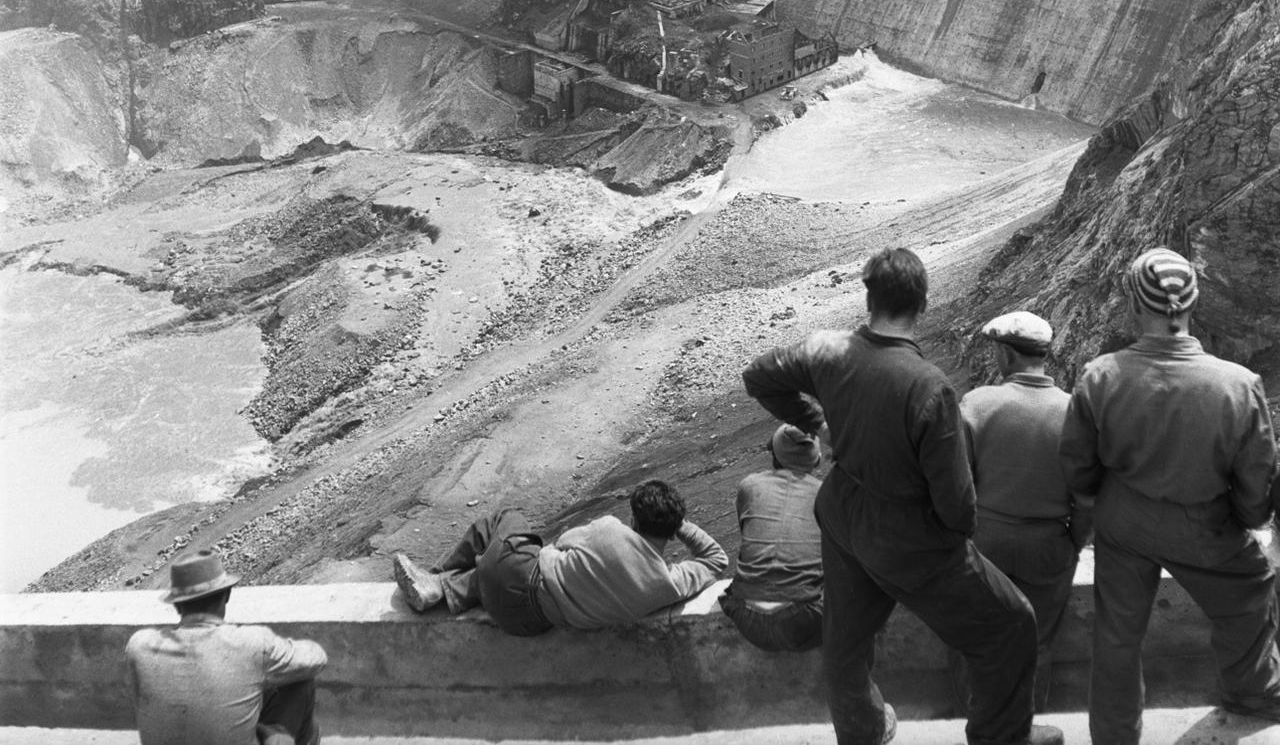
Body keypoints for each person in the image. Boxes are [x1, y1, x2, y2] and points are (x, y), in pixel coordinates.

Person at [743, 245, 1063, 745]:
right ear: (923, 305)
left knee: (845, 642)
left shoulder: (827, 349)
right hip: (910, 539)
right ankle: (1001, 737)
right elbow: (957, 503)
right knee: (1013, 622)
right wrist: (951, 543)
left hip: (845, 517)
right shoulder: (930, 388)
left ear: (868, 299)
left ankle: (864, 730)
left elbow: (758, 377)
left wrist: (818, 424)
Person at [1060, 246, 1280, 743]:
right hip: (1205, 525)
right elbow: (1256, 475)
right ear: (1193, 303)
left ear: (1135, 307)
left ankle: (1115, 735)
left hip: (1123, 524)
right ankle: (1249, 690)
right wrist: (1245, 516)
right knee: (1249, 592)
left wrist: (1099, 502)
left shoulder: (1100, 376)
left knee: (1117, 637)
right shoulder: (1238, 385)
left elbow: (1077, 465)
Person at [956, 311, 1091, 712]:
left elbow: (957, 488)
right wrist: (1072, 544)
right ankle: (1026, 726)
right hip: (1048, 545)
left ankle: (976, 726)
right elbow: (1087, 498)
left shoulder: (977, 405)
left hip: (986, 545)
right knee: (1038, 641)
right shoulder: (1074, 413)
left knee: (976, 640)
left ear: (1004, 355)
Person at [391, 478, 727, 633]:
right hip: (523, 624)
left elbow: (561, 543)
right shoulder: (666, 584)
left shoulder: (610, 529)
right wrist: (678, 522)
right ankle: (453, 586)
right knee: (505, 564)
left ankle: (436, 577)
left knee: (506, 522)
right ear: (672, 530)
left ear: (634, 519)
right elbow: (716, 560)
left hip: (514, 576)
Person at [124, 549, 327, 745]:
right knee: (301, 684)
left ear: (176, 605)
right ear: (227, 595)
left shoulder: (139, 646)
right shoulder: (252, 642)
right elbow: (317, 658)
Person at [719, 422, 825, 652]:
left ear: (774, 454)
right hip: (806, 620)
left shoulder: (749, 486)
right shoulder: (826, 494)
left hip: (746, 618)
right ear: (816, 459)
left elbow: (747, 539)